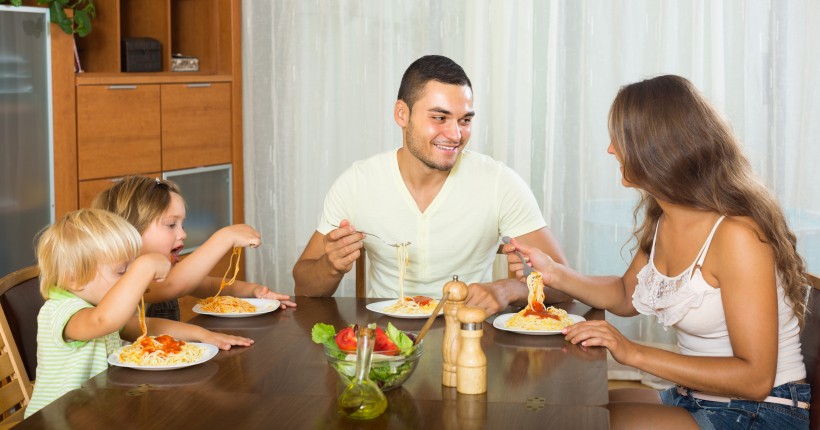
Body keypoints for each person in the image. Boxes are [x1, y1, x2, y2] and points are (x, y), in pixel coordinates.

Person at [506, 75, 811, 429]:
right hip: (695, 395)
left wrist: (631, 351)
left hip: (764, 411)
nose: (610, 150)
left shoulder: (737, 236)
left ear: (655, 146)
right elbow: (624, 295)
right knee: (566, 405)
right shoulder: (664, 216)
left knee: (583, 423)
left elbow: (755, 380)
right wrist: (553, 272)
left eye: (619, 139)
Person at [293, 54, 568, 314]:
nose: (455, 134)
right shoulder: (356, 183)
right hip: (386, 342)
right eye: (439, 118)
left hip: (469, 341)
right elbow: (304, 287)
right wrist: (330, 266)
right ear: (402, 114)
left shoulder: (499, 183)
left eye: (465, 120)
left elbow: (563, 284)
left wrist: (508, 289)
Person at [25, 209, 254, 418]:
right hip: (55, 420)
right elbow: (105, 320)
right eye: (123, 271)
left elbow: (148, 327)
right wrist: (143, 268)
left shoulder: (99, 306)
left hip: (100, 411)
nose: (130, 281)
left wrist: (203, 335)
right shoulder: (62, 312)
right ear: (72, 277)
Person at [93, 176, 295, 321]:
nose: (183, 234)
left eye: (182, 225)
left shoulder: (167, 271)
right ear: (131, 230)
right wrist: (224, 237)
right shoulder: (121, 278)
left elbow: (209, 286)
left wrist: (255, 292)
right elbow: (174, 285)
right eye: (171, 225)